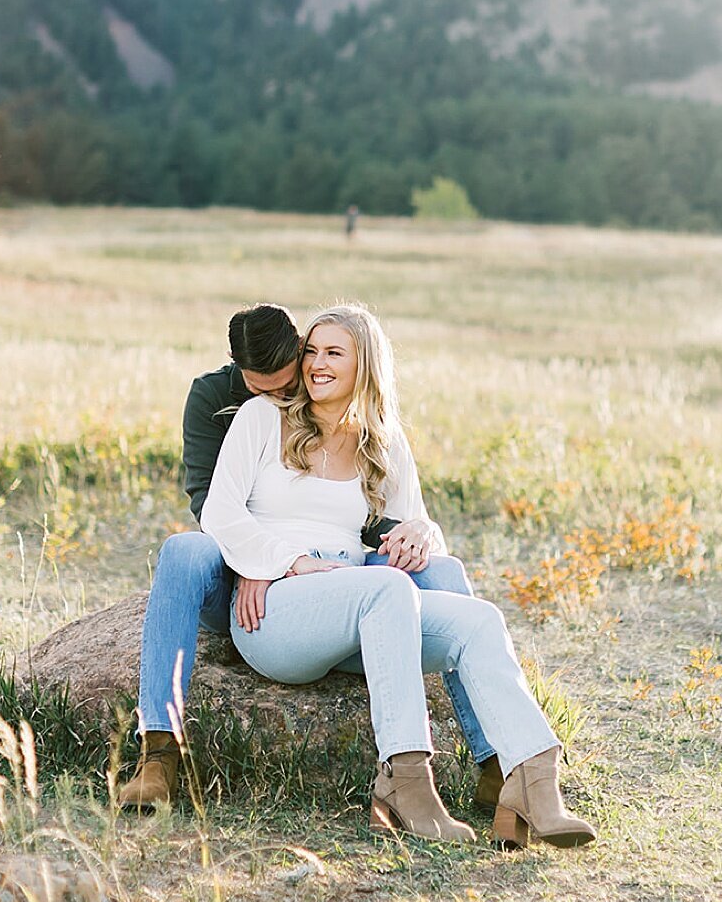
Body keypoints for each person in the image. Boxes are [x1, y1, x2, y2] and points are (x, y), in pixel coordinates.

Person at [189, 303, 594, 848]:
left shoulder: (383, 440)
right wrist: (283, 561)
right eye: (312, 351)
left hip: (362, 613)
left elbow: (414, 524)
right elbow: (220, 513)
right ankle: (406, 782)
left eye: (335, 353)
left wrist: (423, 531)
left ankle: (533, 782)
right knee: (387, 588)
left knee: (478, 621)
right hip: (276, 614)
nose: (316, 364)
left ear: (365, 364)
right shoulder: (261, 417)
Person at [118, 303, 504, 813]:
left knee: (443, 570)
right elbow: (213, 508)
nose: (284, 395)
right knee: (183, 551)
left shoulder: (330, 397)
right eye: (266, 388)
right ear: (240, 373)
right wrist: (267, 566)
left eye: (291, 379)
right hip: (241, 556)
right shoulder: (219, 400)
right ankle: (159, 752)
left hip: (330, 567)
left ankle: (497, 764)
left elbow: (382, 513)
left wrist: (418, 532)